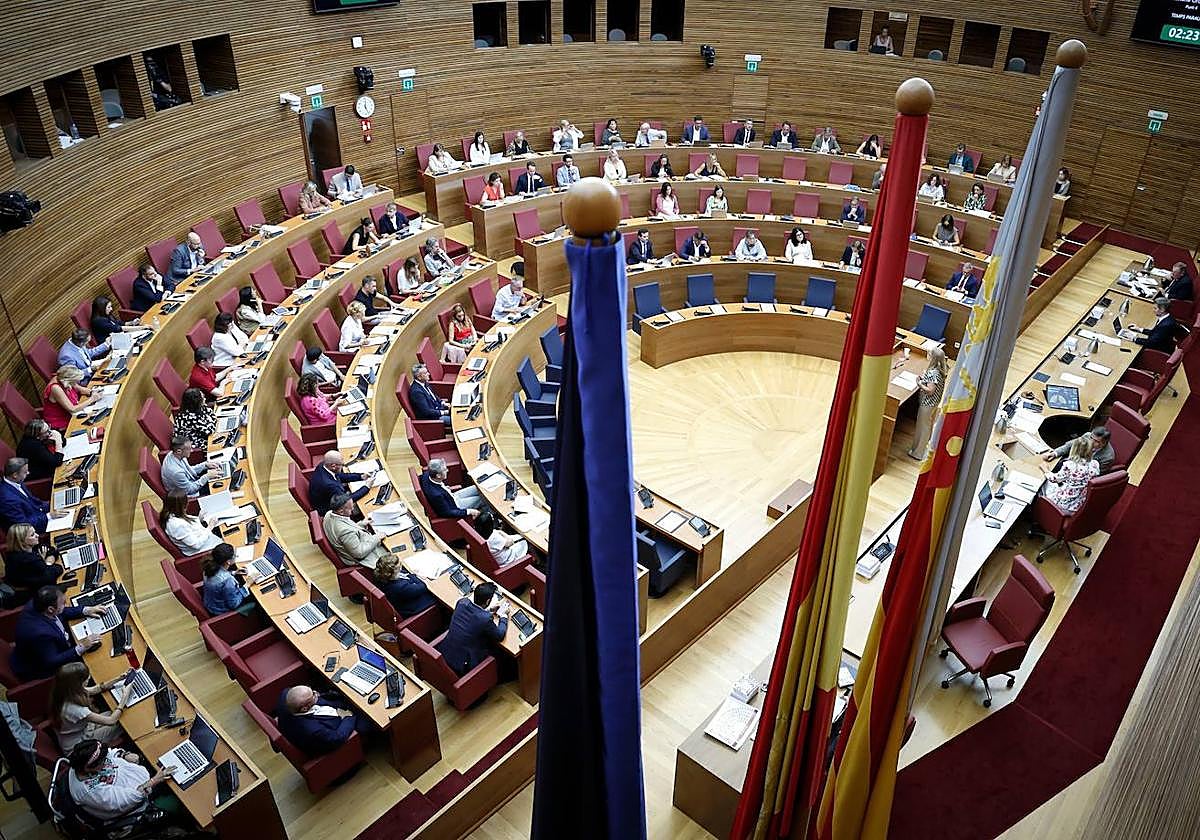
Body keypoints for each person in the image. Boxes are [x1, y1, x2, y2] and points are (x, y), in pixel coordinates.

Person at [67, 740, 176, 823]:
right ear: (90, 768)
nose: (106, 760)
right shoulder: (91, 792)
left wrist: (124, 755)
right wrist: (155, 780)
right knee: (177, 798)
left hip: (140, 774)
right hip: (140, 800)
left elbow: (109, 753)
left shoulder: (82, 761)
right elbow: (129, 798)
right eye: (103, 760)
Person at [12, 586, 106, 681]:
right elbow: (52, 662)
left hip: (48, 648)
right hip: (41, 669)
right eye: (63, 603)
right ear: (51, 609)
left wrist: (86, 610)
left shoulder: (38, 603)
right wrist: (82, 647)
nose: (65, 605)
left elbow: (62, 611)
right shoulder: (40, 634)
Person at [437, 581, 509, 676]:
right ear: (488, 601)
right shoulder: (485, 619)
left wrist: (489, 611)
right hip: (464, 664)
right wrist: (503, 616)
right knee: (502, 654)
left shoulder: (462, 603)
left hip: (446, 653)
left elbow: (473, 616)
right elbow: (500, 635)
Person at [52, 663, 129, 751]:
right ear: (77, 683)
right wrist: (124, 697)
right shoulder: (76, 709)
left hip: (81, 729)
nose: (89, 677)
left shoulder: (65, 691)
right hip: (78, 745)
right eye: (86, 677)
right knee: (123, 722)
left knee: (112, 713)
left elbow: (95, 689)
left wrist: (119, 679)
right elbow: (111, 721)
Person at [276, 685, 371, 756]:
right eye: (313, 695)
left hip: (334, 707)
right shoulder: (313, 730)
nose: (316, 693)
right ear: (305, 709)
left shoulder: (286, 695)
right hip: (339, 724)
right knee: (367, 721)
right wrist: (348, 717)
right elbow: (337, 738)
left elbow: (319, 696)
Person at [323, 493, 387, 569]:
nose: (353, 509)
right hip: (364, 558)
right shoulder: (344, 532)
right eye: (350, 508)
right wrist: (377, 538)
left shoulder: (329, 514)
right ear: (341, 512)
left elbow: (348, 529)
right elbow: (359, 553)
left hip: (357, 544)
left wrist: (361, 524)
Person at [1040, 436, 1100, 513]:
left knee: (1044, 482)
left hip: (1063, 503)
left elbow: (1054, 479)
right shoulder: (1095, 464)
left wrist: (1045, 469)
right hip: (1078, 504)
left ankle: (1041, 509)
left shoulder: (1070, 465)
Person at [908, 346, 948, 459]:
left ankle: (918, 453)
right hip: (934, 403)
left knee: (923, 427)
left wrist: (920, 384)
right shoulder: (941, 370)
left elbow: (930, 390)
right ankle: (920, 449)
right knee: (927, 426)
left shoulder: (933, 373)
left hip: (927, 403)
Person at [2, 523, 62, 594]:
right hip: (27, 594)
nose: (37, 535)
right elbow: (56, 570)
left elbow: (52, 550)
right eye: (32, 535)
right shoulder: (27, 560)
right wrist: (47, 563)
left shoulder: (23, 549)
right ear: (22, 541)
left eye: (35, 532)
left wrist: (45, 563)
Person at [160, 489, 221, 556]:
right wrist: (210, 527)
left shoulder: (173, 513)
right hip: (206, 549)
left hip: (206, 538)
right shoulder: (177, 526)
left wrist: (199, 518)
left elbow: (189, 527)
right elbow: (196, 545)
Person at [309, 451, 372, 516]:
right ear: (333, 466)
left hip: (328, 497)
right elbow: (346, 500)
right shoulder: (330, 485)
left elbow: (339, 475)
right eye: (342, 465)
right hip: (328, 510)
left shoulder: (323, 465)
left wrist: (360, 476)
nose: (343, 466)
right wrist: (366, 487)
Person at [0, 458, 52, 533]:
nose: (28, 473)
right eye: (25, 472)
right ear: (15, 475)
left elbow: (34, 501)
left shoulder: (16, 482)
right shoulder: (7, 500)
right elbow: (24, 525)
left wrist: (52, 505)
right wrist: (49, 516)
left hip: (41, 516)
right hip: (34, 530)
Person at [202, 543, 252, 615]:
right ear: (228, 562)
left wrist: (233, 573)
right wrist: (247, 585)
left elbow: (218, 577)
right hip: (222, 611)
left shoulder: (208, 568)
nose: (236, 556)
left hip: (212, 604)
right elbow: (234, 604)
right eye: (234, 555)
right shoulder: (228, 581)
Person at [43, 365, 94, 433]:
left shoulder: (64, 378)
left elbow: (81, 389)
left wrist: (94, 392)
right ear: (67, 381)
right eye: (75, 382)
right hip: (61, 423)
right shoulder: (55, 388)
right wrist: (92, 399)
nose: (76, 384)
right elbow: (72, 409)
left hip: (72, 415)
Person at [1044, 426, 1115, 472]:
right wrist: (1055, 453)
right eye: (1091, 438)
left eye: (1096, 441)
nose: (1091, 441)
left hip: (1079, 475)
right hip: (1070, 462)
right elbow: (1070, 445)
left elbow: (1097, 475)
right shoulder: (1087, 435)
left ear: (1104, 442)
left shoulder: (1108, 457)